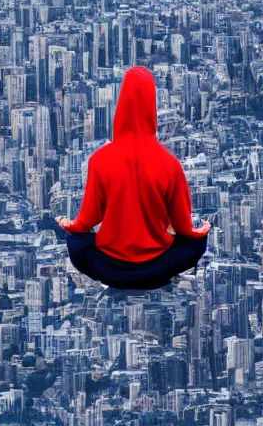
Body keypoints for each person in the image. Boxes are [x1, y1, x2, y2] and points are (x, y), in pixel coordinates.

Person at [56, 66, 211, 291]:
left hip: (110, 269)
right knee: (194, 245)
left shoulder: (99, 160)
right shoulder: (170, 164)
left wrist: (70, 225)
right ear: (152, 106)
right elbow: (183, 227)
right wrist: (200, 232)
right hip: (158, 268)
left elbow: (87, 220)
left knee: (77, 243)